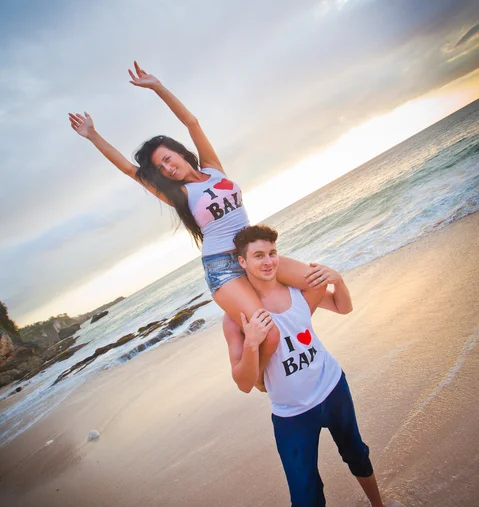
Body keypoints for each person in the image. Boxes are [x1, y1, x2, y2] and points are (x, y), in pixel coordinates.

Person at [69, 62, 323, 386]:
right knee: (267, 334)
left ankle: (246, 326)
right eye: (161, 167)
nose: (167, 167)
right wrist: (92, 135)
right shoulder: (180, 195)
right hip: (224, 267)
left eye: (168, 158)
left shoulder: (214, 167)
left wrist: (157, 86)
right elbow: (129, 171)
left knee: (315, 282)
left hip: (255, 254)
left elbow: (191, 122)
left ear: (180, 153)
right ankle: (258, 378)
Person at [223, 225, 397, 507]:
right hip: (291, 414)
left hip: (332, 387)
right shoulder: (235, 318)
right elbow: (242, 382)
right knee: (304, 501)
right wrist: (252, 343)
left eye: (272, 252)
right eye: (258, 255)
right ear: (241, 262)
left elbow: (343, 306)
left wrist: (338, 280)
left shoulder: (299, 290)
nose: (268, 261)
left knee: (357, 453)